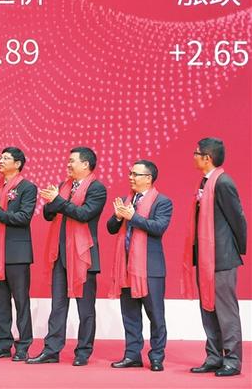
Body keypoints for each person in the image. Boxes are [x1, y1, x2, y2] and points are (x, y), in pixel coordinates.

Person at [28, 146, 106, 367]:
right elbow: (49, 215)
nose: (68, 164)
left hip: (83, 256)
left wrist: (58, 201)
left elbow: (84, 214)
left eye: (73, 161)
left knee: (85, 309)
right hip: (61, 254)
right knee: (58, 306)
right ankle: (51, 350)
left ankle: (83, 352)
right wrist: (51, 201)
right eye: (68, 161)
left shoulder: (97, 188)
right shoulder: (64, 186)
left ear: (86, 164)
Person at [185, 138, 247, 377]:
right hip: (205, 257)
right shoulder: (204, 181)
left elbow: (237, 218)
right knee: (207, 308)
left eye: (196, 153)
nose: (193, 156)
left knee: (225, 310)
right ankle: (213, 357)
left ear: (207, 158)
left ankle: (232, 360)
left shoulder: (223, 182)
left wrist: (235, 250)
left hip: (221, 257)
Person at [107, 160, 172, 372]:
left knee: (156, 315)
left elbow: (159, 227)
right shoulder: (128, 200)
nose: (131, 177)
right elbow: (111, 228)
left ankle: (156, 357)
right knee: (130, 314)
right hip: (126, 266)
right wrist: (118, 217)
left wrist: (133, 217)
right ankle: (132, 355)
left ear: (148, 178)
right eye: (130, 173)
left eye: (136, 174)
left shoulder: (162, 202)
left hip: (150, 268)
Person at [0, 147, 37, 362]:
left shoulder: (27, 188)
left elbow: (24, 218)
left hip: (17, 254)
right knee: (0, 301)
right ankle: (3, 344)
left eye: (6, 158)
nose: (0, 161)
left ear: (18, 164)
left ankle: (23, 345)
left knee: (21, 301)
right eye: (0, 157)